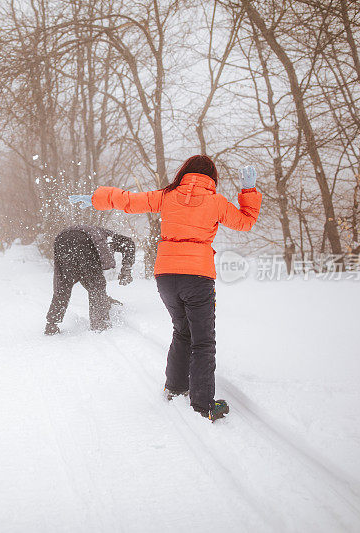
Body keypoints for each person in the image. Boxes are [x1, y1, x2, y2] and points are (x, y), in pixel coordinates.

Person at [69, 156, 261, 421]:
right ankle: (204, 405)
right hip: (197, 276)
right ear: (212, 177)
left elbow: (129, 200)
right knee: (203, 341)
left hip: (166, 275)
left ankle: (175, 387)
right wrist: (249, 192)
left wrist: (95, 197)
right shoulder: (216, 202)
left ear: (184, 172)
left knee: (182, 331)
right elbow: (245, 222)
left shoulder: (168, 196)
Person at [45, 225, 135, 335]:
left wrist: (105, 300)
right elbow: (129, 243)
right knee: (97, 285)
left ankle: (51, 324)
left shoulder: (98, 233)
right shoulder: (110, 236)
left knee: (64, 284)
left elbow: (85, 278)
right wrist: (127, 268)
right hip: (84, 241)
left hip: (62, 240)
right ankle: (100, 325)